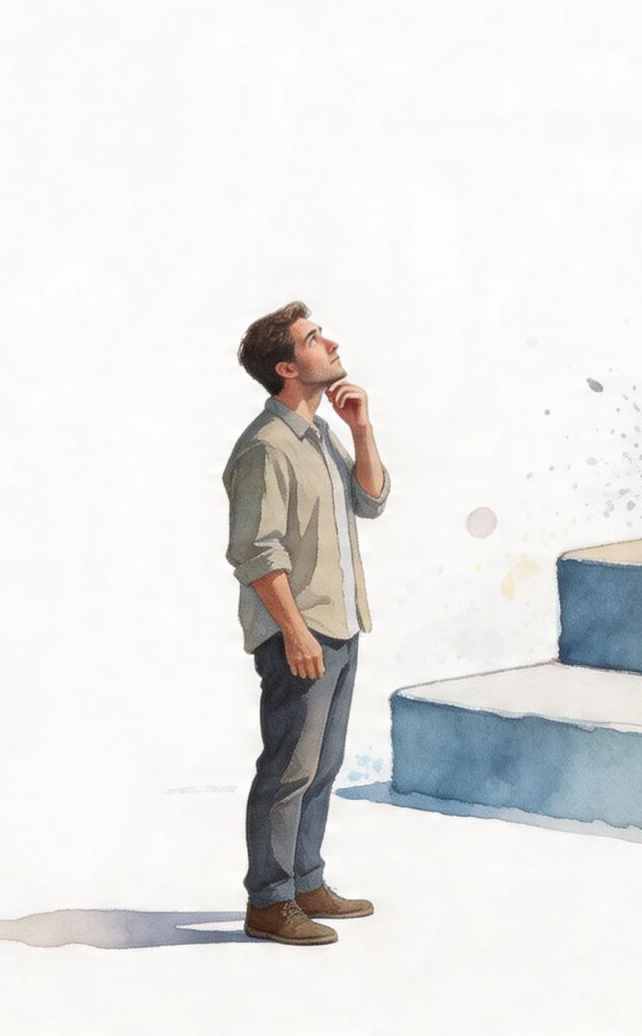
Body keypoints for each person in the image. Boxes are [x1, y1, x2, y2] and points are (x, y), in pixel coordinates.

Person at [224, 302, 391, 946]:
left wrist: (362, 430)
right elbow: (256, 554)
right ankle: (269, 901)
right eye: (315, 339)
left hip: (341, 624)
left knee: (322, 766)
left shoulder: (320, 434)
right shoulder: (265, 448)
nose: (332, 343)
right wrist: (294, 633)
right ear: (287, 368)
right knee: (288, 770)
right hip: (299, 632)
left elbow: (371, 501)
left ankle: (305, 881)